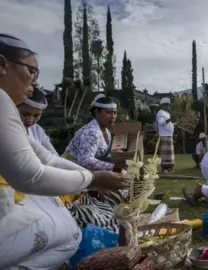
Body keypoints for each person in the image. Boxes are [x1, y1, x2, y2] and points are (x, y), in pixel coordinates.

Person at [0, 34, 125, 269]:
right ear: (2, 65)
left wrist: (94, 180)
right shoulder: (1, 100)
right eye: (31, 71)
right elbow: (32, 176)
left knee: (68, 224)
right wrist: (95, 178)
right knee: (70, 234)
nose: (35, 83)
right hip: (36, 188)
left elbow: (46, 157)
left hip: (63, 180)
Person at [62, 94, 127, 233]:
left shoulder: (106, 131)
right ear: (96, 112)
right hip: (71, 171)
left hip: (87, 171)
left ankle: (115, 221)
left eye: (115, 113)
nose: (113, 116)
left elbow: (101, 155)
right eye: (108, 113)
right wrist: (113, 167)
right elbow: (84, 160)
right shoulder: (92, 132)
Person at [18, 86, 57, 154]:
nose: (30, 120)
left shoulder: (38, 130)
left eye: (36, 115)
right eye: (25, 114)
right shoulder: (6, 129)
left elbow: (53, 155)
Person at [156, 97, 175, 172]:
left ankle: (169, 167)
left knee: (169, 154)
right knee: (165, 153)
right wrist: (170, 119)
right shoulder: (160, 113)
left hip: (169, 135)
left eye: (168, 105)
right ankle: (164, 168)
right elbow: (161, 123)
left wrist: (173, 121)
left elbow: (169, 123)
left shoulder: (167, 113)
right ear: (162, 105)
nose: (168, 106)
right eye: (166, 105)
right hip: (164, 135)